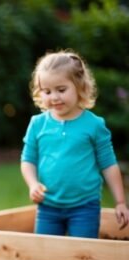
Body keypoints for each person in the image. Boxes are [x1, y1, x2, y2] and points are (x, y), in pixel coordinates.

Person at [21, 50, 129, 237]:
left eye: (61, 90)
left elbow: (109, 164)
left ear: (79, 87)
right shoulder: (37, 124)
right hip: (48, 207)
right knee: (45, 258)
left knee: (83, 256)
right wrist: (33, 185)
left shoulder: (94, 125)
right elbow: (28, 160)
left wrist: (120, 202)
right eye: (47, 91)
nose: (54, 97)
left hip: (84, 207)